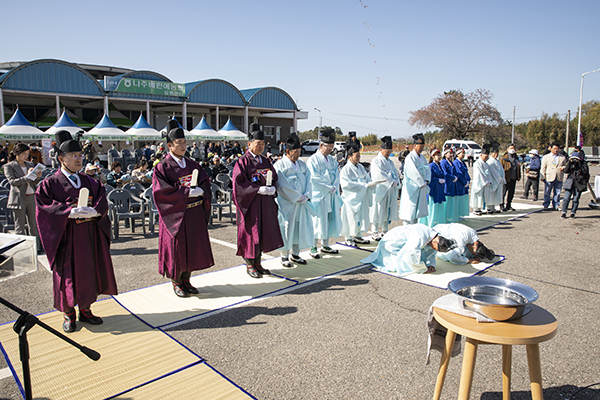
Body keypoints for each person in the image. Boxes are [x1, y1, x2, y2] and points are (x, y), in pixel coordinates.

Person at [36, 130, 117, 333]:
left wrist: (95, 210)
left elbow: (101, 199)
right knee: (68, 275)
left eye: (80, 155)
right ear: (61, 159)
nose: (79, 159)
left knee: (89, 271)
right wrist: (67, 212)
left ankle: (86, 310)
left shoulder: (90, 181)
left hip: (88, 235)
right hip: (66, 238)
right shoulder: (50, 184)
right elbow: (44, 208)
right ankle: (69, 313)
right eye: (74, 156)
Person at [152, 120, 214, 296]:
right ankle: (176, 282)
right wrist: (186, 193)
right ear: (169, 145)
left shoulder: (192, 164)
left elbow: (203, 180)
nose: (183, 146)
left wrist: (202, 190)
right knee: (177, 249)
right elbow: (162, 192)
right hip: (176, 216)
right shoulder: (162, 167)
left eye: (184, 142)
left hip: (193, 213)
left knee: (193, 247)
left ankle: (187, 279)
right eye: (179, 143)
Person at [233, 123, 283, 278]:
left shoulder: (266, 161)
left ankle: (258, 262)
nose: (261, 147)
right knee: (251, 233)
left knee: (262, 232)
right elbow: (238, 183)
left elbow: (274, 176)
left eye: (263, 144)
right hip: (251, 205)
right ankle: (249, 263)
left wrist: (273, 187)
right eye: (257, 143)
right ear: (249, 144)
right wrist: (257, 189)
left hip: (265, 205)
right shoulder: (243, 162)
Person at [274, 133, 314, 267]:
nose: (298, 154)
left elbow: (309, 180)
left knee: (299, 228)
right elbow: (281, 185)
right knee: (287, 228)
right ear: (288, 151)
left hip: (301, 203)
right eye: (295, 152)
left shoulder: (302, 164)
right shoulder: (280, 165)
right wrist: (297, 196)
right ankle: (284, 255)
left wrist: (306, 194)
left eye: (299, 152)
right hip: (288, 204)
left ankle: (296, 254)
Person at [360, 224, 455, 275]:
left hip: (402, 240)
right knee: (396, 265)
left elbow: (431, 253)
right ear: (435, 242)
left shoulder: (434, 236)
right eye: (435, 247)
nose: (434, 249)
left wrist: (431, 264)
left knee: (420, 252)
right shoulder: (420, 237)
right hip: (392, 241)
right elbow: (411, 252)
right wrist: (421, 269)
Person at [307, 128, 343, 258]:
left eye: (332, 147)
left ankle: (325, 244)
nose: (330, 149)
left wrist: (334, 186)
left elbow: (336, 174)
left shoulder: (332, 160)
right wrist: (328, 187)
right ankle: (313, 246)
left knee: (328, 220)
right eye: (328, 147)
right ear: (321, 145)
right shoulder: (313, 160)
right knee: (317, 221)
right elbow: (313, 177)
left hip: (330, 195)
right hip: (319, 196)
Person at [4, 143, 43, 251]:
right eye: (24, 154)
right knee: (19, 226)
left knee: (33, 225)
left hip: (31, 196)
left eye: (27, 154)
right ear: (17, 154)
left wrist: (37, 177)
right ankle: (20, 249)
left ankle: (36, 248)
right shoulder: (9, 166)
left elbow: (34, 182)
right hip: (18, 198)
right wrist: (27, 177)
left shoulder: (29, 164)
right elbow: (12, 182)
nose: (26, 156)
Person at [340, 141, 376, 246]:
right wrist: (362, 185)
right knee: (349, 218)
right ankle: (348, 237)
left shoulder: (360, 167)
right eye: (356, 155)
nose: (359, 157)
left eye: (359, 155)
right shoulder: (346, 169)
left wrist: (371, 184)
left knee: (359, 218)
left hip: (360, 197)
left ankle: (358, 236)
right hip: (350, 198)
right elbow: (346, 185)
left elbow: (367, 178)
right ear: (350, 156)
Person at [369, 136, 400, 240]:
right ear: (381, 149)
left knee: (387, 210)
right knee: (377, 211)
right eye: (386, 150)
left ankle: (385, 230)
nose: (388, 152)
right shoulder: (376, 161)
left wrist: (396, 180)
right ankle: (374, 231)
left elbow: (395, 172)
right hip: (380, 190)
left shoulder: (390, 162)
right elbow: (378, 174)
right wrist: (391, 181)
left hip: (389, 190)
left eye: (390, 150)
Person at [399, 133, 431, 225]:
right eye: (420, 145)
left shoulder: (423, 158)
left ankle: (415, 228)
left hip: (420, 187)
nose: (421, 148)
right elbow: (413, 173)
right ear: (414, 145)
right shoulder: (410, 158)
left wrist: (427, 181)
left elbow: (427, 170)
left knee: (416, 212)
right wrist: (421, 182)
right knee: (409, 210)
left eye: (423, 146)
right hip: (411, 187)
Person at [419, 149, 446, 227]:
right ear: (433, 156)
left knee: (439, 208)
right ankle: (431, 224)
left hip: (439, 189)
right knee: (432, 208)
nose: (439, 157)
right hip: (433, 189)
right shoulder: (431, 166)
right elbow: (430, 178)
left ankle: (439, 224)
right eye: (437, 155)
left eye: (439, 155)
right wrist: (438, 180)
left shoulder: (439, 165)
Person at [561, 150, 589, 219]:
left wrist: (579, 164)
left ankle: (573, 212)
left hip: (579, 183)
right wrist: (569, 164)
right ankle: (564, 212)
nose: (574, 160)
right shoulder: (570, 163)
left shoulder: (583, 164)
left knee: (575, 199)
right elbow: (566, 171)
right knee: (566, 198)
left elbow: (585, 172)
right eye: (573, 158)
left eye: (576, 159)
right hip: (570, 182)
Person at [540, 142, 567, 211]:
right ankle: (546, 205)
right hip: (549, 176)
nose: (556, 150)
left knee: (557, 192)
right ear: (551, 149)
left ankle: (556, 205)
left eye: (557, 149)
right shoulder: (546, 157)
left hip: (558, 176)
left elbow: (565, 165)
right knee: (547, 192)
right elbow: (543, 167)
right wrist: (542, 176)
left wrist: (563, 167)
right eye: (554, 148)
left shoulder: (562, 157)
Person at [470, 145, 492, 215]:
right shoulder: (477, 163)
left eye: (487, 156)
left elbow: (488, 173)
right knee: (477, 196)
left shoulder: (486, 163)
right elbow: (480, 173)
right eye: (485, 156)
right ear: (481, 155)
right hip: (479, 182)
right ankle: (476, 209)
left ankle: (480, 208)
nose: (486, 158)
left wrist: (489, 180)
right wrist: (485, 181)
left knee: (482, 196)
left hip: (484, 183)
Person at [440, 147, 459, 222]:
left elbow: (455, 171)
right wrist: (452, 177)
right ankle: (445, 218)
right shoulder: (443, 162)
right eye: (449, 153)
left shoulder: (451, 163)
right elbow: (445, 174)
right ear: (445, 154)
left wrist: (455, 177)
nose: (451, 155)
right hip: (447, 185)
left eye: (452, 153)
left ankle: (450, 217)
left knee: (451, 203)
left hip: (452, 185)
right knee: (446, 203)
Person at [500, 143, 521, 211]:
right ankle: (501, 205)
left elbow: (518, 166)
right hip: (506, 178)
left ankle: (508, 204)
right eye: (510, 148)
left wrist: (519, 176)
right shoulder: (504, 157)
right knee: (503, 192)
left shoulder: (516, 157)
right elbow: (501, 167)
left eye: (513, 148)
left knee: (511, 193)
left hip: (513, 177)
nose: (512, 150)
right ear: (507, 149)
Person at [486, 146, 505, 213]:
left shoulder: (497, 161)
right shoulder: (490, 162)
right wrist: (499, 178)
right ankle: (489, 207)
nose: (496, 154)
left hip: (498, 181)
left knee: (495, 195)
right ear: (491, 153)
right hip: (493, 180)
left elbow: (502, 170)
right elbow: (494, 172)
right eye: (494, 153)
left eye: (497, 153)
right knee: (491, 194)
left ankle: (493, 207)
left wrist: (502, 178)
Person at [453, 148, 471, 218]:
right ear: (457, 154)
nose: (463, 155)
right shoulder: (456, 163)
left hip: (465, 185)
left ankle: (462, 214)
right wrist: (464, 182)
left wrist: (468, 180)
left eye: (463, 153)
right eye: (461, 153)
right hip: (460, 185)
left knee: (463, 200)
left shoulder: (463, 163)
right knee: (459, 200)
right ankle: (458, 215)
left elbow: (467, 173)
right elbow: (459, 174)